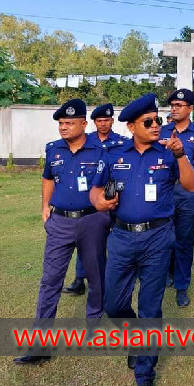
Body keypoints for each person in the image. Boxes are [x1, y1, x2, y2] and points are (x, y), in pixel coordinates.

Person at [90, 93, 194, 386]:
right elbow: (96, 191)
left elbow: (191, 185)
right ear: (132, 127)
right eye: (148, 122)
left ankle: (144, 371)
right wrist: (100, 202)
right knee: (113, 305)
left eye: (157, 120)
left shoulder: (168, 152)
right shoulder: (114, 155)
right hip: (122, 237)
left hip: (157, 239)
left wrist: (181, 155)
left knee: (151, 306)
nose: (156, 126)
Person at [14, 99, 110, 365]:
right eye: (60, 124)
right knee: (49, 281)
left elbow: (111, 183)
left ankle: (94, 325)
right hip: (60, 223)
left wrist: (106, 211)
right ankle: (40, 344)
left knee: (96, 277)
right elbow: (47, 178)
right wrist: (45, 206)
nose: (63, 128)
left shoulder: (100, 151)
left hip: (92, 221)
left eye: (69, 123)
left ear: (83, 124)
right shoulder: (53, 150)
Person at [63, 102, 125, 296]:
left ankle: (113, 277)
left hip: (113, 192)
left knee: (115, 238)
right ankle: (80, 279)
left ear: (112, 121)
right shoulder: (87, 141)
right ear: (93, 122)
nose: (103, 124)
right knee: (85, 239)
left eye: (106, 120)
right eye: (99, 121)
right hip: (90, 195)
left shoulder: (122, 142)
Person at [161, 88, 194, 307]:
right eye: (172, 105)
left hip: (188, 194)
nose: (174, 108)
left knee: (184, 240)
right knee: (163, 237)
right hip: (163, 192)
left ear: (190, 109)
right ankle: (167, 273)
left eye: (179, 105)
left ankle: (182, 286)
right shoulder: (161, 131)